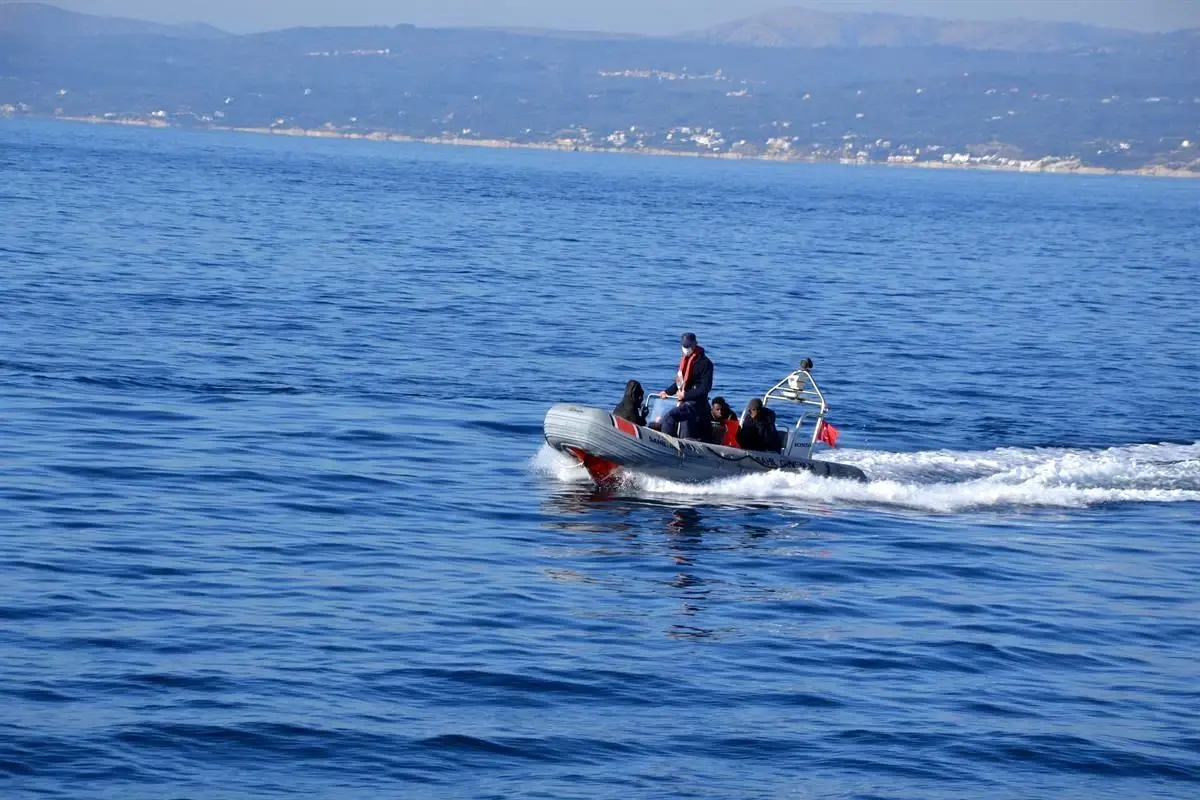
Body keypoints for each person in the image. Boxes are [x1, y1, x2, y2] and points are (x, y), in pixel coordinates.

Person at [657, 332, 713, 439]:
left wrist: (686, 395)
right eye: (684, 346)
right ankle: (676, 444)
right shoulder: (685, 361)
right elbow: (679, 382)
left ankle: (666, 442)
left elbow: (705, 388)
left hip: (696, 404)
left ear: (695, 344)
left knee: (670, 416)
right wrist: (667, 392)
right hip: (685, 403)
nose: (686, 348)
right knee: (683, 421)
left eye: (688, 346)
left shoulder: (705, 363)